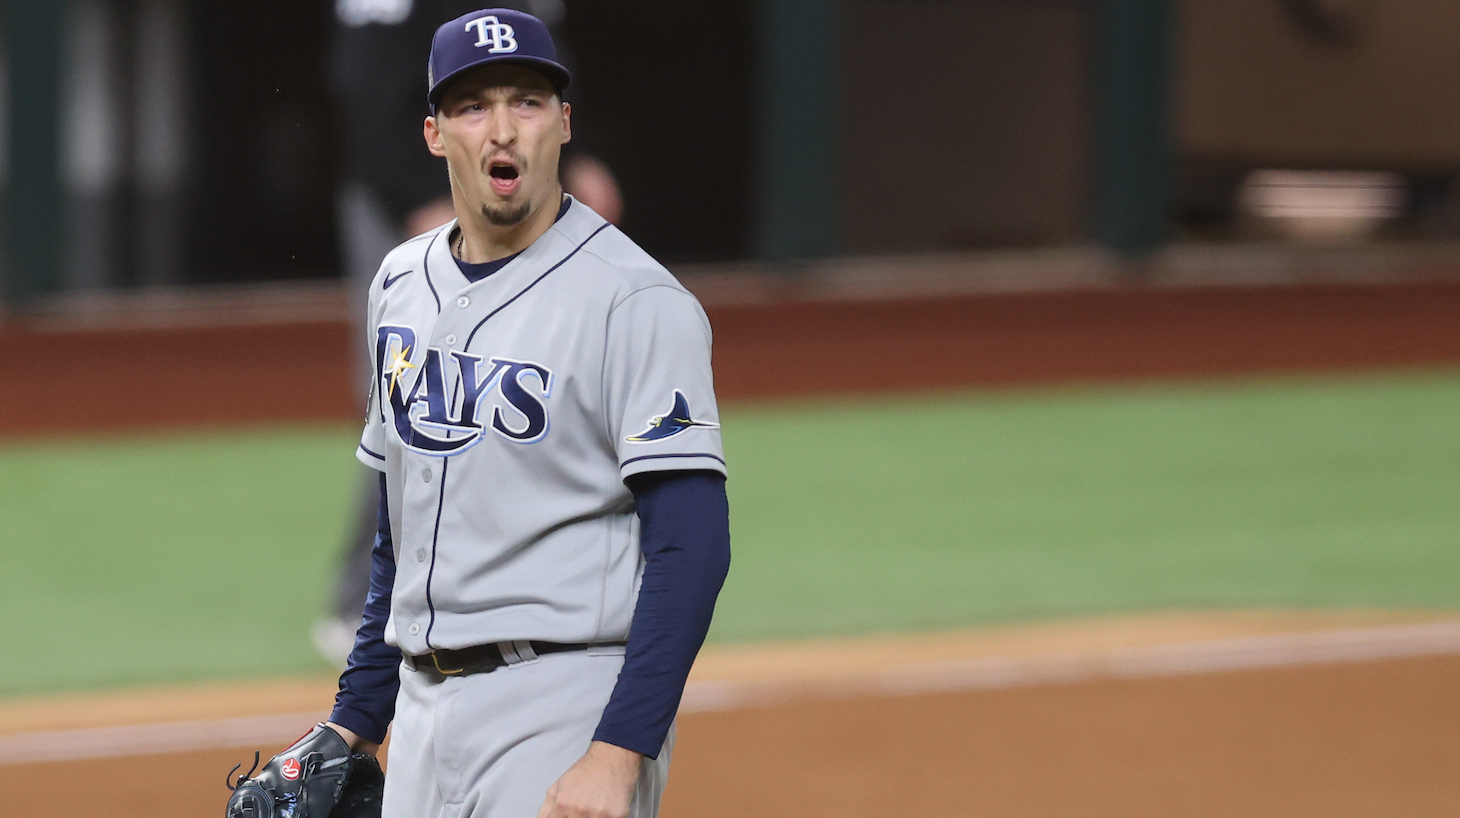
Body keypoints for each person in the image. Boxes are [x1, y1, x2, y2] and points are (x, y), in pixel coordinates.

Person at [243, 8, 731, 818]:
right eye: (473, 107)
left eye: (527, 102)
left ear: (564, 123)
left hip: (564, 703)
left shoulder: (636, 301)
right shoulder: (400, 283)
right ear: (434, 133)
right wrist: (359, 719)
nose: (502, 130)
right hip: (423, 714)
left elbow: (692, 546)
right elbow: (400, 531)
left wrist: (617, 755)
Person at [317, 0, 627, 665]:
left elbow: (547, 69)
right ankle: (361, 600)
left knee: (517, 388)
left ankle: (503, 585)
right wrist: (411, 195)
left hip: (513, 194)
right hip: (402, 197)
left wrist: (586, 156)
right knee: (410, 400)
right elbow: (368, 90)